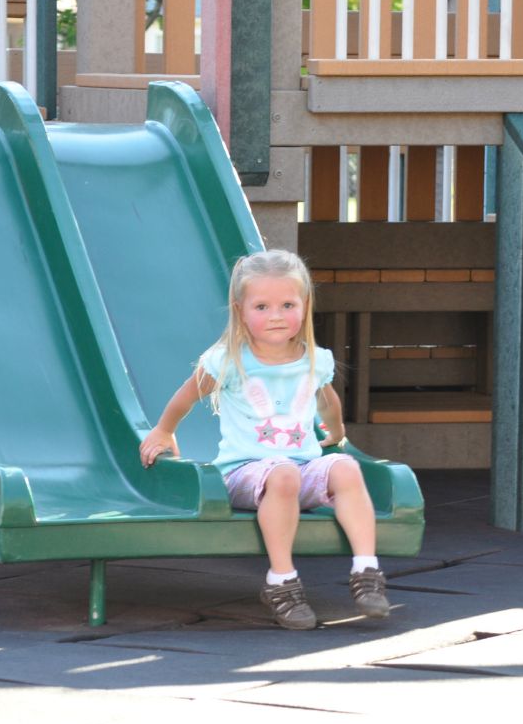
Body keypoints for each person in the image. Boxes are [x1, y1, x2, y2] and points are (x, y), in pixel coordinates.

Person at [139, 249, 389, 630]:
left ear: (304, 307)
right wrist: (164, 430)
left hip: (301, 469)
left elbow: (327, 398)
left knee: (346, 469)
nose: (275, 315)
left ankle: (366, 571)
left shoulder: (315, 359)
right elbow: (188, 394)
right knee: (284, 474)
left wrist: (336, 433)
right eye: (262, 306)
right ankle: (281, 581)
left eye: (287, 304)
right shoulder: (230, 360)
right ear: (240, 310)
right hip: (245, 475)